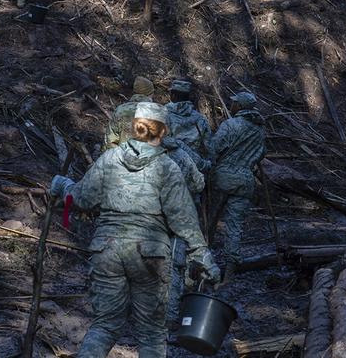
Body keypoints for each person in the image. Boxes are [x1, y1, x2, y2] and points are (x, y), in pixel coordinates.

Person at [50, 102, 220, 358]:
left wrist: (63, 186)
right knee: (152, 332)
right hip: (150, 253)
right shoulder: (167, 167)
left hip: (106, 250)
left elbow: (81, 199)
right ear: (163, 131)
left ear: (134, 127)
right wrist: (202, 253)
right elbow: (183, 217)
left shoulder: (109, 159)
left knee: (105, 325)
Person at [208, 91, 266, 283]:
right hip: (245, 182)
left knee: (209, 222)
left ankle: (202, 264)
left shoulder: (230, 125)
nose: (230, 105)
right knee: (234, 227)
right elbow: (260, 154)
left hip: (222, 179)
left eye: (233, 103)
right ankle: (229, 274)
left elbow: (214, 149)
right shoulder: (259, 130)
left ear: (240, 107)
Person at [161, 135, 206, 326]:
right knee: (174, 269)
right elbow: (198, 183)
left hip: (146, 220)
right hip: (178, 218)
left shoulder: (144, 155)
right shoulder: (182, 155)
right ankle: (170, 318)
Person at [166, 80, 212, 161]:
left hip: (172, 164)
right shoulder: (200, 118)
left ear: (173, 95)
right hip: (195, 163)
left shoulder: (163, 115)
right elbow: (208, 146)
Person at [103, 76, 154, 149]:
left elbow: (110, 140)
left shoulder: (120, 110)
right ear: (150, 93)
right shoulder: (156, 112)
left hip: (122, 157)